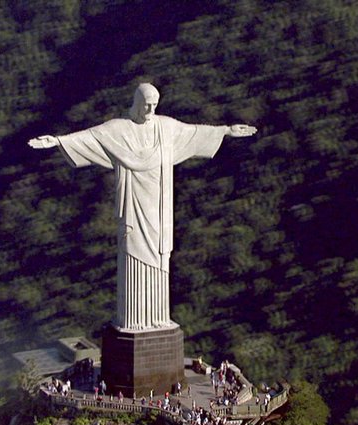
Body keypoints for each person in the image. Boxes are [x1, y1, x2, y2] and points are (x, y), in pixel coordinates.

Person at [28, 83, 256, 330]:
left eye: (154, 105)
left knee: (159, 258)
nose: (149, 109)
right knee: (132, 255)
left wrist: (226, 131)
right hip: (134, 207)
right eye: (146, 104)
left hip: (159, 207)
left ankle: (157, 318)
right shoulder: (119, 129)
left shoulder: (166, 127)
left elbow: (194, 132)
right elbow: (91, 136)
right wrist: (59, 141)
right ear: (136, 102)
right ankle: (133, 319)